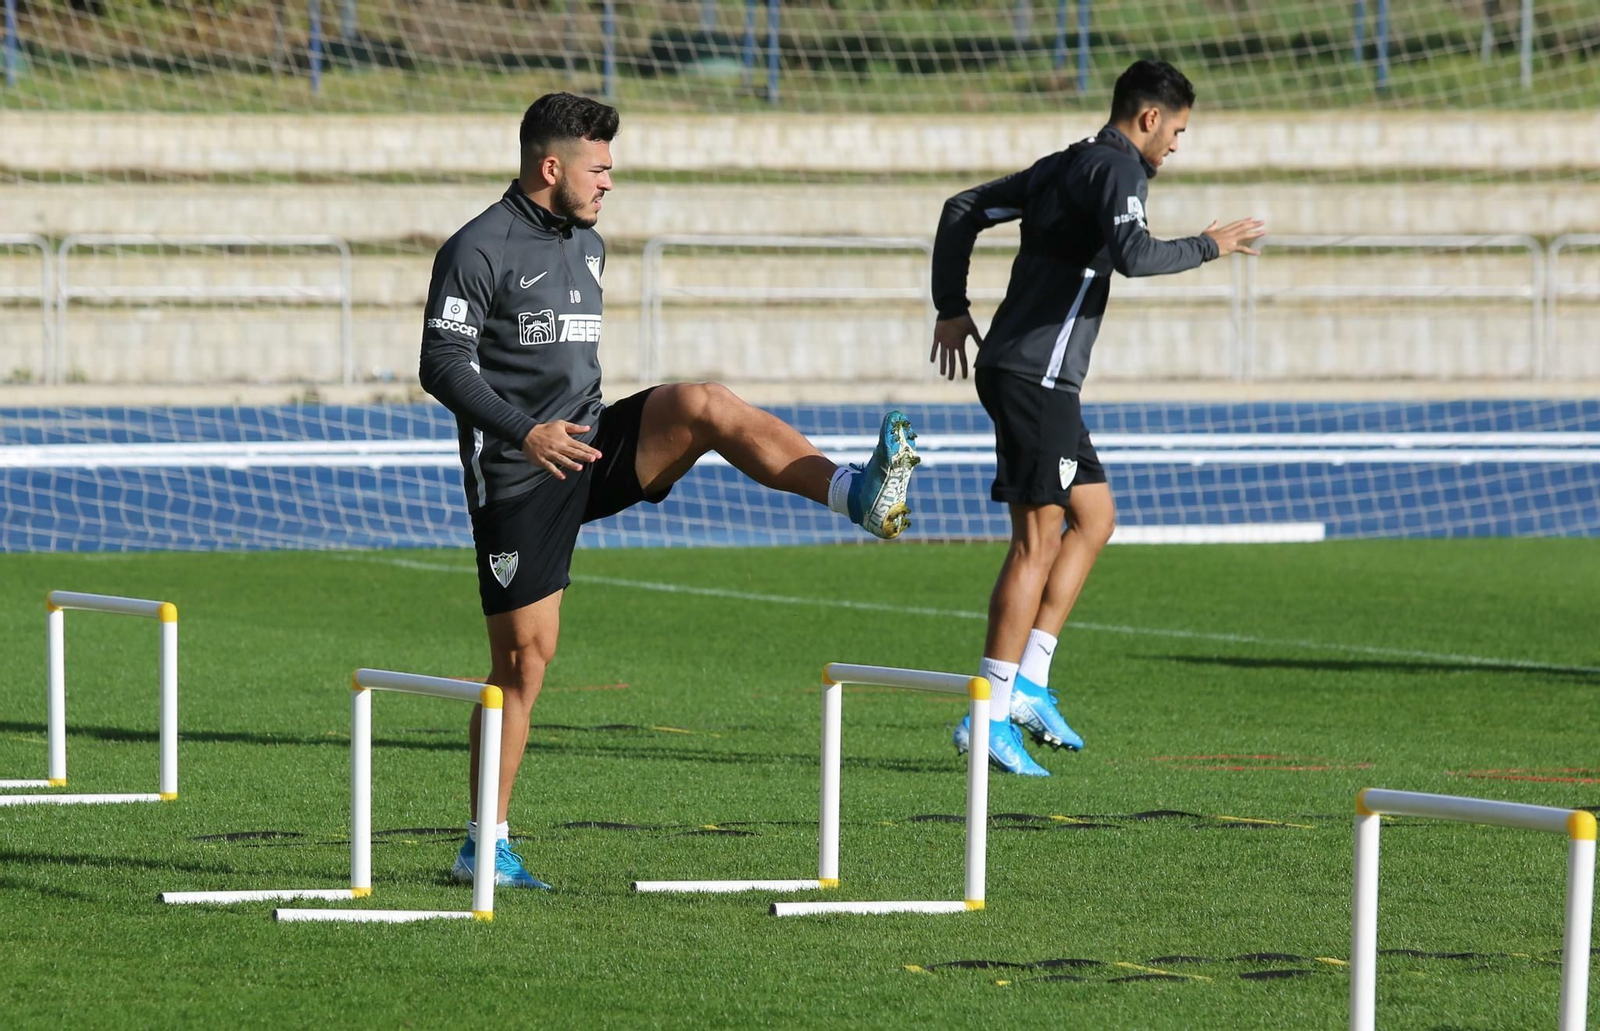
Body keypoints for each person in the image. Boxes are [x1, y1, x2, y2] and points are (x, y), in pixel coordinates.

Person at [419, 92, 920, 887]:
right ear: (552, 167)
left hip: (591, 442)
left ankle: (855, 494)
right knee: (523, 663)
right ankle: (483, 841)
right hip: (521, 472)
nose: (610, 182)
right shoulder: (476, 248)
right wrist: (526, 431)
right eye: (599, 167)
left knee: (704, 404)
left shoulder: (590, 246)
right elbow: (440, 366)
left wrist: (572, 428)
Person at [927, 60, 1263, 776]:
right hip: (1036, 379)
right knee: (1034, 543)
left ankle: (1032, 686)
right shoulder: (1117, 171)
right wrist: (1211, 244)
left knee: (1097, 516)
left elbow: (962, 209)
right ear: (1148, 119)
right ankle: (987, 713)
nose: (1176, 144)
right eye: (1176, 130)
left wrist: (951, 306)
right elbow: (1134, 255)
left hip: (1036, 377)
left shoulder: (1065, 164)